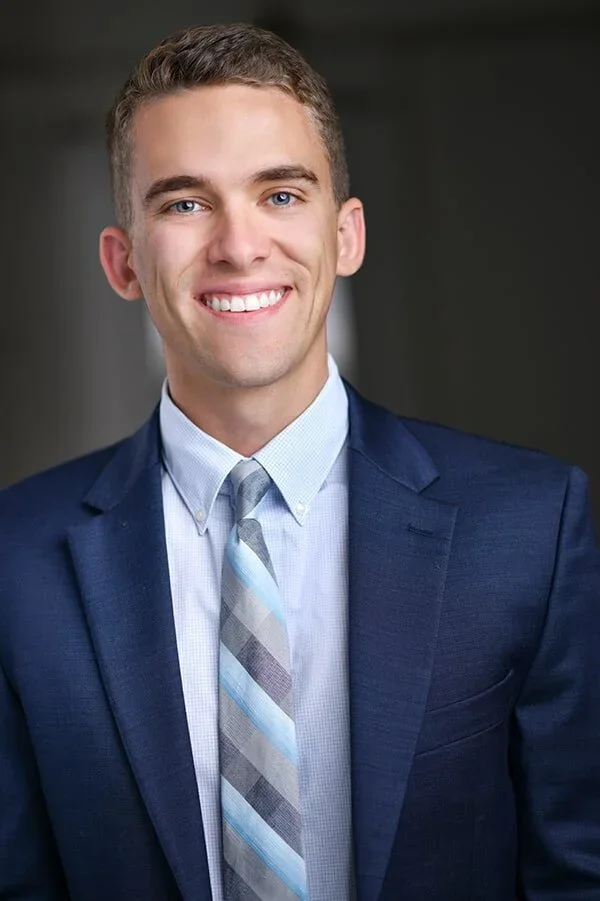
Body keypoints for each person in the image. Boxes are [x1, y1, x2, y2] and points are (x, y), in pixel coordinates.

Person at [1, 21, 599, 901]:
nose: (240, 246)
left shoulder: (531, 526)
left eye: (280, 195)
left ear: (347, 235)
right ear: (123, 262)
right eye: (184, 203)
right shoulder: (14, 561)